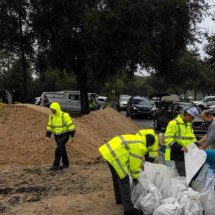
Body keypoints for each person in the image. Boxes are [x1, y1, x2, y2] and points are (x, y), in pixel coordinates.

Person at [98, 133, 155, 215]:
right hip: (116, 155)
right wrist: (135, 177)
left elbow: (129, 156)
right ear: (149, 143)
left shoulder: (138, 139)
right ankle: (128, 209)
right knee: (124, 180)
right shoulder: (139, 146)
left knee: (117, 177)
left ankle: (119, 199)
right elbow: (134, 165)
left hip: (109, 152)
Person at [164, 106, 199, 176]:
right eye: (192, 118)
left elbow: (192, 137)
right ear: (187, 114)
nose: (192, 120)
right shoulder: (174, 123)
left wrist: (197, 145)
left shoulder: (189, 124)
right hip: (174, 154)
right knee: (176, 176)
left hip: (185, 154)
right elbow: (168, 138)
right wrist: (180, 147)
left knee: (183, 176)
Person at [46, 102, 75, 170]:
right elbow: (50, 126)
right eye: (51, 109)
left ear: (57, 109)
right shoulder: (51, 117)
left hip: (65, 134)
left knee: (58, 149)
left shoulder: (64, 115)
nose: (52, 111)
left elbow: (70, 125)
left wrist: (72, 136)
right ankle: (66, 163)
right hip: (57, 135)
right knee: (62, 149)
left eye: (53, 109)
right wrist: (48, 135)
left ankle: (55, 165)